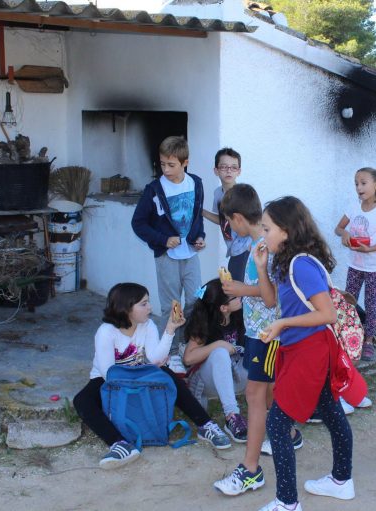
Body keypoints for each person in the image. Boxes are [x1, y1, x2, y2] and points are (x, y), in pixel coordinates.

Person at [256, 196, 354, 511]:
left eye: (267, 228)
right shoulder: (282, 259)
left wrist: (284, 324)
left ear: (286, 230)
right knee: (329, 410)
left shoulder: (302, 263)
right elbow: (271, 302)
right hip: (299, 348)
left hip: (310, 350)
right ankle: (342, 481)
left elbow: (328, 315)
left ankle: (287, 502)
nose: (263, 233)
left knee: (277, 423)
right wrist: (260, 268)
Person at [73, 283, 230, 470]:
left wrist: (170, 328)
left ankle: (206, 425)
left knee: (168, 376)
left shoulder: (147, 325)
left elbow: (156, 359)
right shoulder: (106, 332)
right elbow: (108, 373)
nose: (150, 307)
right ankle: (119, 444)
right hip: (109, 379)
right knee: (82, 400)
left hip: (141, 372)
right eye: (143, 304)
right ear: (126, 308)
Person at [213, 184, 303, 497]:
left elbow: (271, 296)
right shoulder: (258, 245)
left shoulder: (264, 246)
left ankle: (251, 469)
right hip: (258, 331)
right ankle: (288, 433)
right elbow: (260, 292)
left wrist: (241, 290)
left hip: (268, 333)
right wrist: (237, 298)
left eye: (229, 221)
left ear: (237, 218)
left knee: (255, 394)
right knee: (263, 395)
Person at [131, 136, 206, 323]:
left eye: (171, 165)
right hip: (166, 257)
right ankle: (171, 348)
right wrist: (163, 240)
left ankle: (190, 345)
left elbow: (196, 216)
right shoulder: (154, 189)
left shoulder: (196, 183)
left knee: (197, 300)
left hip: (191, 256)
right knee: (171, 306)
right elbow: (138, 223)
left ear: (185, 163)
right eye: (162, 164)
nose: (165, 170)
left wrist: (200, 237)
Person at [334, 167, 376, 361]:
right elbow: (339, 228)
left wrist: (369, 250)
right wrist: (346, 234)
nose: (359, 187)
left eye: (363, 183)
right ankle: (347, 335)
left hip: (374, 265)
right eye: (356, 183)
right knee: (348, 299)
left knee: (370, 302)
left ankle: (368, 340)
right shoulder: (353, 207)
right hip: (355, 264)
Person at [183, 278, 248, 444]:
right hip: (210, 382)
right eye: (235, 296)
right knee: (219, 353)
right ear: (223, 307)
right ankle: (232, 416)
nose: (240, 297)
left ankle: (275, 407)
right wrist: (217, 345)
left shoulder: (240, 314)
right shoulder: (205, 322)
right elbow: (188, 358)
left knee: (268, 350)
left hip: (236, 376)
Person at [202, 147, 252, 281]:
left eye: (234, 167)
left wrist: (251, 246)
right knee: (234, 285)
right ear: (216, 171)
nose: (229, 171)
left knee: (240, 287)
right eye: (224, 167)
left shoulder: (244, 194)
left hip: (246, 249)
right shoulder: (218, 193)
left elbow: (255, 222)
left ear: (239, 171)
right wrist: (201, 211)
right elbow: (222, 220)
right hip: (234, 250)